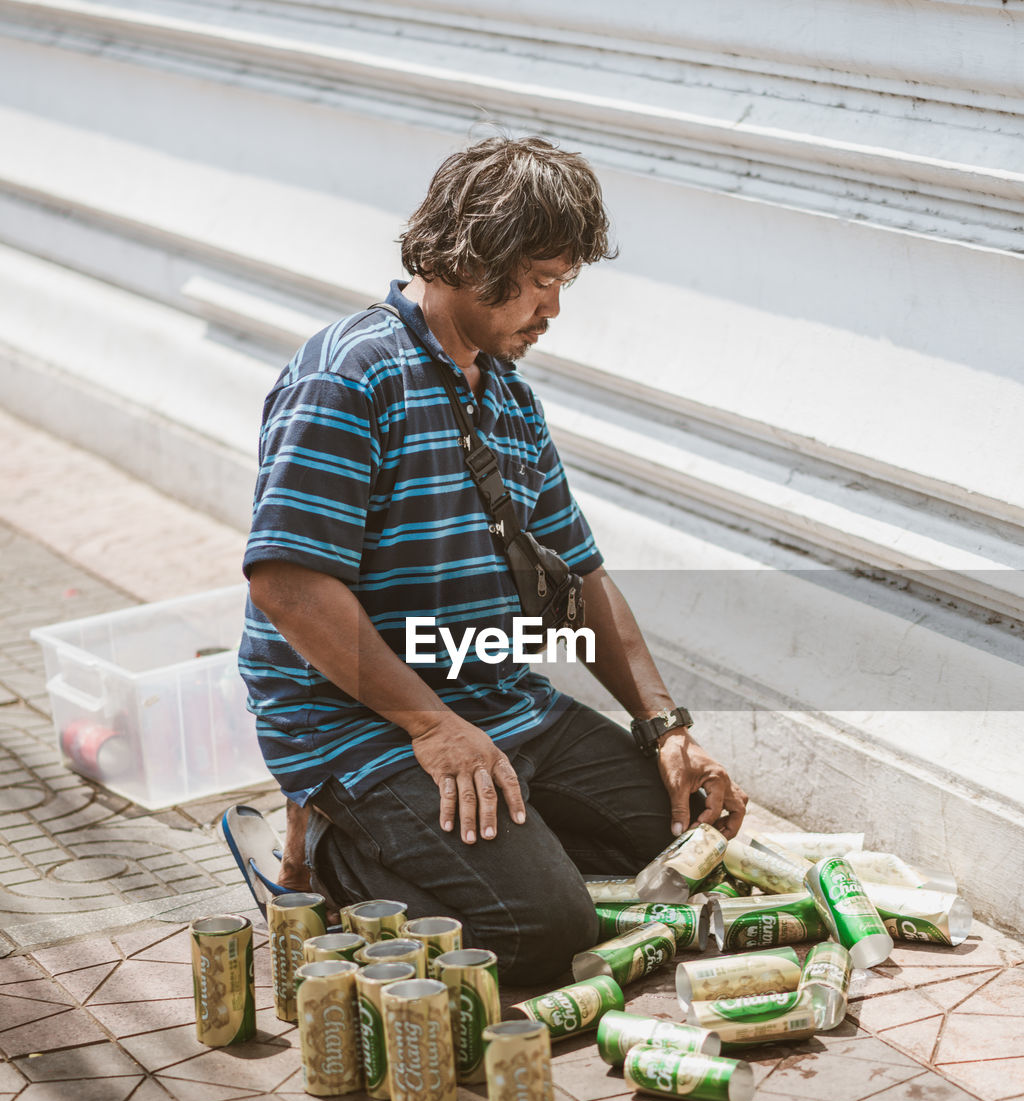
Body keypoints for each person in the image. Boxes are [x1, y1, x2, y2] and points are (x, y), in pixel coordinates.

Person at [239, 135, 747, 983]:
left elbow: (581, 574)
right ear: (481, 261)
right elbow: (289, 584)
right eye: (543, 281)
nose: (553, 309)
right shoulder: (350, 374)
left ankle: (490, 849)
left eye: (562, 284)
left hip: (496, 701)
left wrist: (667, 729)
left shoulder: (507, 395)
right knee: (539, 935)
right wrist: (432, 725)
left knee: (689, 844)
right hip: (367, 726)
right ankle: (328, 846)